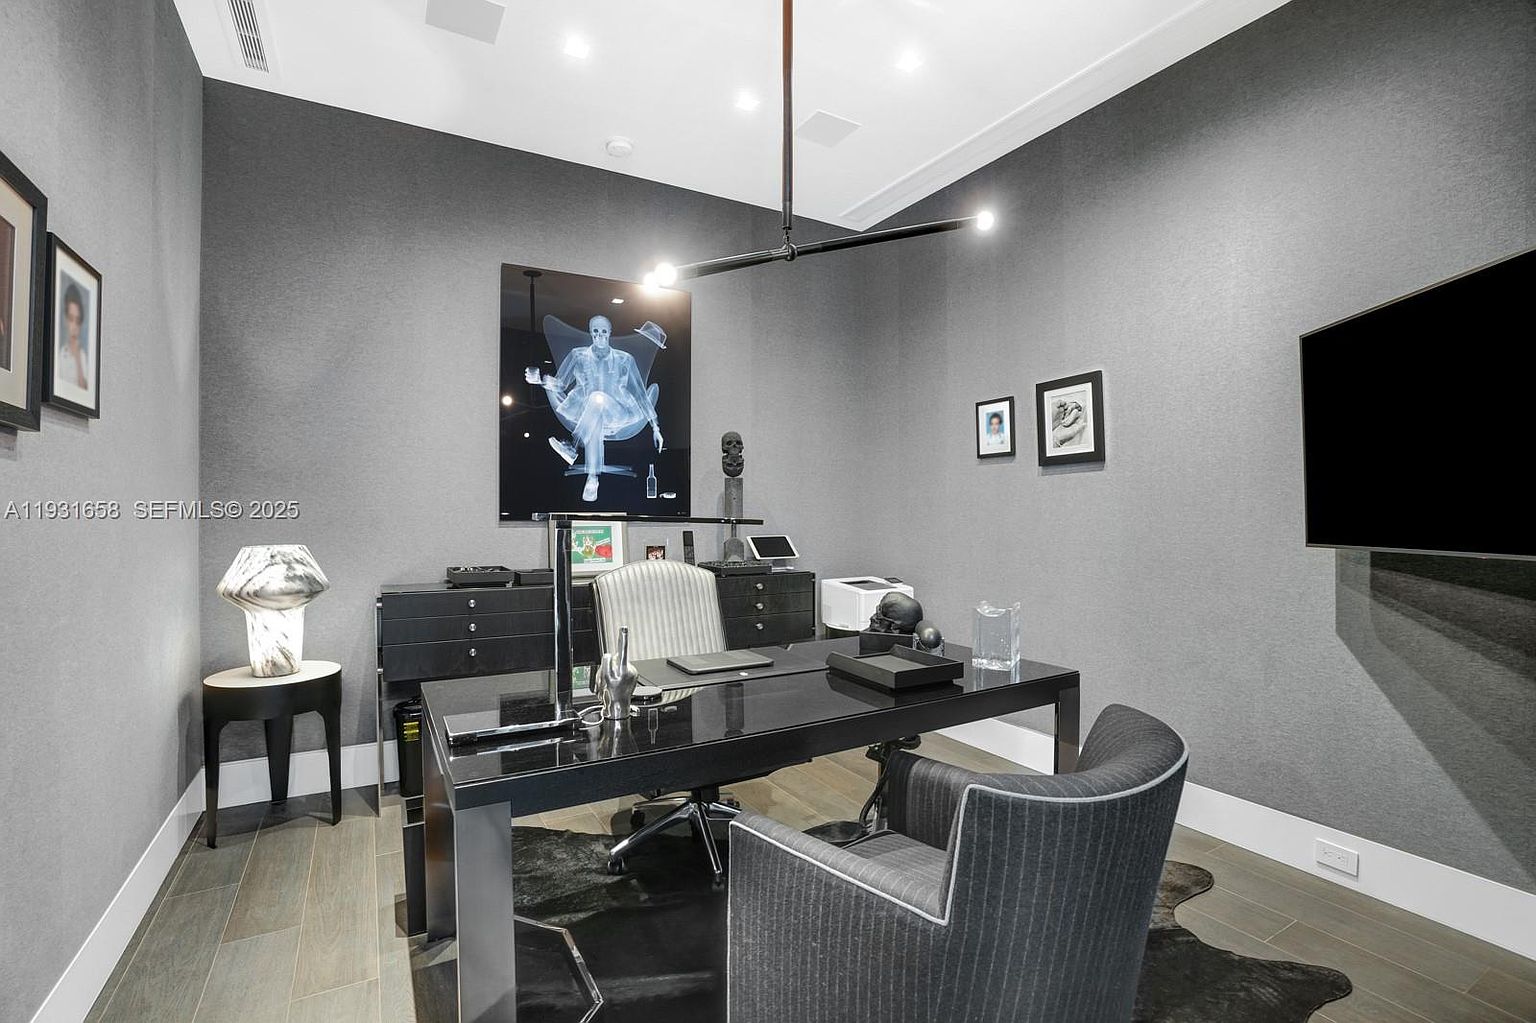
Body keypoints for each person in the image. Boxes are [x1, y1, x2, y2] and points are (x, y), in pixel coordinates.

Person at [526, 314, 663, 502]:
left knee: (597, 398)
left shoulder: (625, 359)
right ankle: (592, 479)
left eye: (604, 332)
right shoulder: (578, 355)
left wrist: (655, 427)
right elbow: (560, 384)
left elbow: (640, 393)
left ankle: (572, 446)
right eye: (596, 332)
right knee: (595, 407)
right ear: (591, 333)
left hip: (617, 412)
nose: (599, 336)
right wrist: (540, 380)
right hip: (588, 412)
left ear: (610, 333)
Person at [57, 284, 88, 391]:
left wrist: (77, 357)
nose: (74, 326)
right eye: (71, 319)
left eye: (77, 321)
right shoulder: (59, 354)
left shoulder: (83, 356)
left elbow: (84, 391)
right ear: (65, 320)